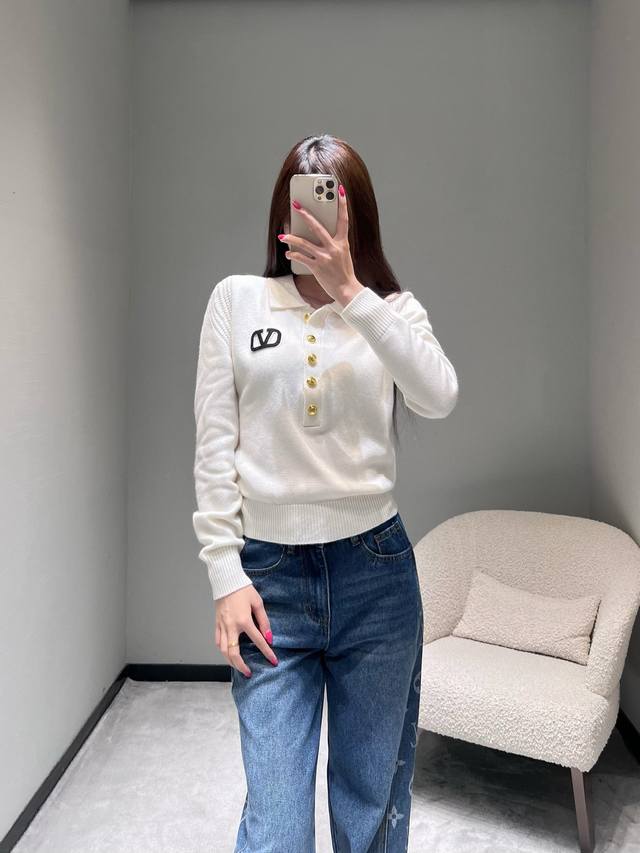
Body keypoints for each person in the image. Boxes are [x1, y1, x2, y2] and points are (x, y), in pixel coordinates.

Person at [191, 134, 459, 853]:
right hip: (268, 582)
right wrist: (224, 574)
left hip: (376, 574)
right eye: (301, 207)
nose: (315, 223)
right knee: (276, 826)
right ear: (282, 217)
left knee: (370, 809)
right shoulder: (237, 301)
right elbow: (214, 447)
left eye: (331, 208)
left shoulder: (391, 310)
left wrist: (351, 294)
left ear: (356, 218)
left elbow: (438, 395)